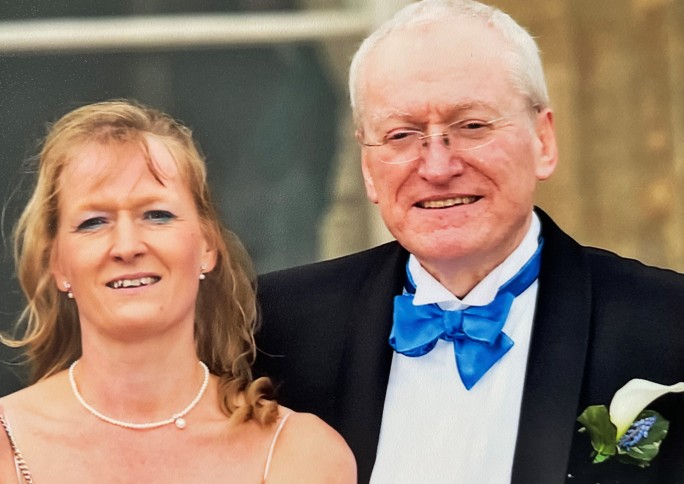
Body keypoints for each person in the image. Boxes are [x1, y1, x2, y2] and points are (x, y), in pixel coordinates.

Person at [254, 1, 684, 483]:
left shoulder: (668, 325)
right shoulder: (271, 331)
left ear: (543, 141)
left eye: (472, 126)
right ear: (367, 169)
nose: (437, 168)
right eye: (401, 134)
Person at [0, 100, 355, 483]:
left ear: (208, 247)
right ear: (58, 264)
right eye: (94, 222)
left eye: (157, 215)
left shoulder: (296, 452)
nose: (127, 246)